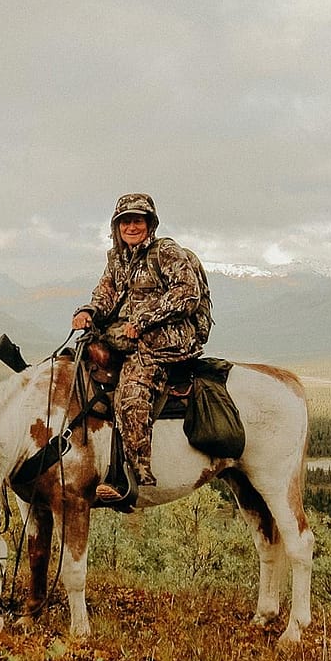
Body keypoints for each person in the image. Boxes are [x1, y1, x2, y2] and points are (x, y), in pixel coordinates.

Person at [72, 193, 212, 498]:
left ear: (150, 223)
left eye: (137, 220)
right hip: (126, 336)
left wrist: (144, 319)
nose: (131, 227)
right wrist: (88, 312)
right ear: (117, 226)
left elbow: (187, 292)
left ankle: (132, 476)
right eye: (125, 222)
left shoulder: (166, 252)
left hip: (165, 340)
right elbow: (105, 294)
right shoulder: (117, 259)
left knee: (131, 393)